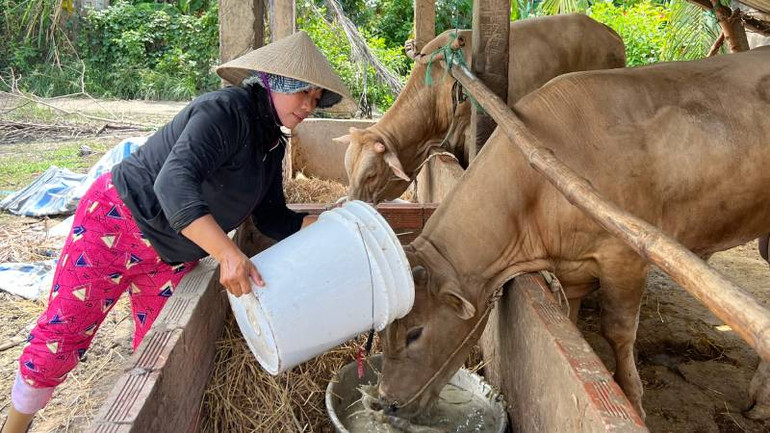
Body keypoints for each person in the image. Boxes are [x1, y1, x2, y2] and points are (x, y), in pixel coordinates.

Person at [2, 31, 352, 433]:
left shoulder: (272, 143)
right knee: (65, 333)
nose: (309, 105)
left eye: (315, 97)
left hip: (171, 255)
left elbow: (271, 216)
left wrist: (325, 228)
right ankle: (16, 425)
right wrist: (227, 253)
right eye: (303, 93)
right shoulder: (224, 111)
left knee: (162, 355)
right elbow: (174, 182)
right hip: (117, 222)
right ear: (274, 83)